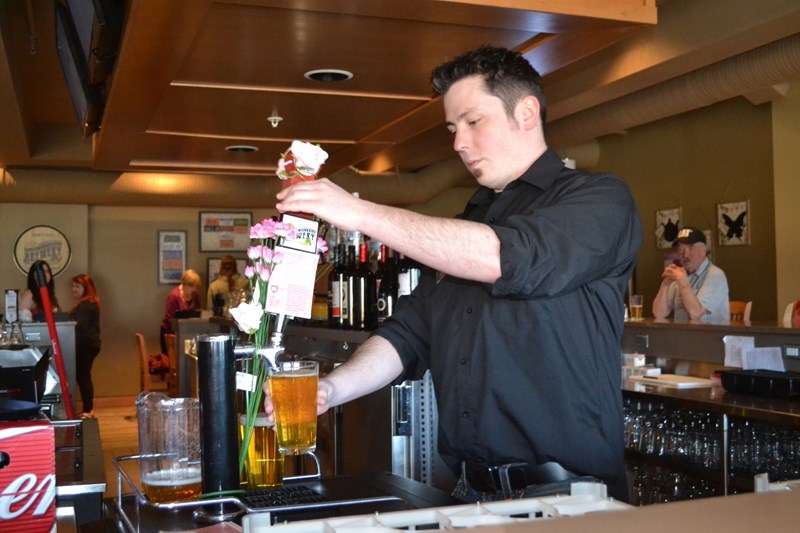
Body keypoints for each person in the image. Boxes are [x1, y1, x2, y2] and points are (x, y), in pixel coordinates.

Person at [273, 45, 642, 501]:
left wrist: (360, 211)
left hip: (569, 500)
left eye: (473, 122)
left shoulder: (598, 198)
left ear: (526, 113)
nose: (458, 143)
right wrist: (331, 388)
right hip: (471, 495)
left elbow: (507, 259)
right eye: (453, 127)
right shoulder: (471, 222)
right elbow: (408, 332)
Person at [652, 226, 729, 323]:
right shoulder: (680, 274)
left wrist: (682, 281)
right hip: (683, 336)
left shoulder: (716, 275)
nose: (685, 254)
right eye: (680, 248)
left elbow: (696, 314)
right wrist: (665, 284)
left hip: (709, 336)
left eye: (691, 247)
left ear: (704, 250)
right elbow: (659, 313)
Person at [69, 274, 102, 419]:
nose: (74, 289)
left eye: (78, 286)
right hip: (89, 344)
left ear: (86, 288)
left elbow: (79, 325)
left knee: (83, 376)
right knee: (83, 376)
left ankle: (88, 410)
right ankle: (88, 409)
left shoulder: (85, 306)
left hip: (86, 345)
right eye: (73, 286)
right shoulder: (88, 304)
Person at [160, 269, 202, 354]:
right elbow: (169, 319)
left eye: (195, 287)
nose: (194, 289)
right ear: (185, 284)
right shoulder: (174, 296)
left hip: (188, 334)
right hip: (170, 335)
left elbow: (198, 313)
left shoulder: (195, 295)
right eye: (192, 287)